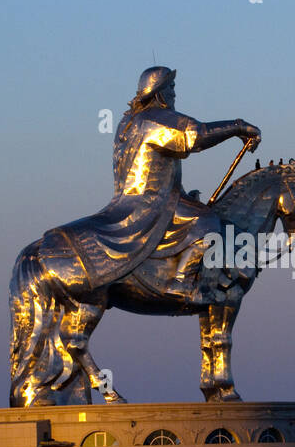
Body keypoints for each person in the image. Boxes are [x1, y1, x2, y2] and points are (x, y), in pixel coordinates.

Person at [64, 66, 261, 298]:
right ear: (158, 93)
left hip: (128, 200)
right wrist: (237, 126)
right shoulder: (158, 119)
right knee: (206, 222)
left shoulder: (128, 122)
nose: (175, 93)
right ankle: (182, 282)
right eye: (171, 88)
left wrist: (186, 195)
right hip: (151, 203)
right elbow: (196, 135)